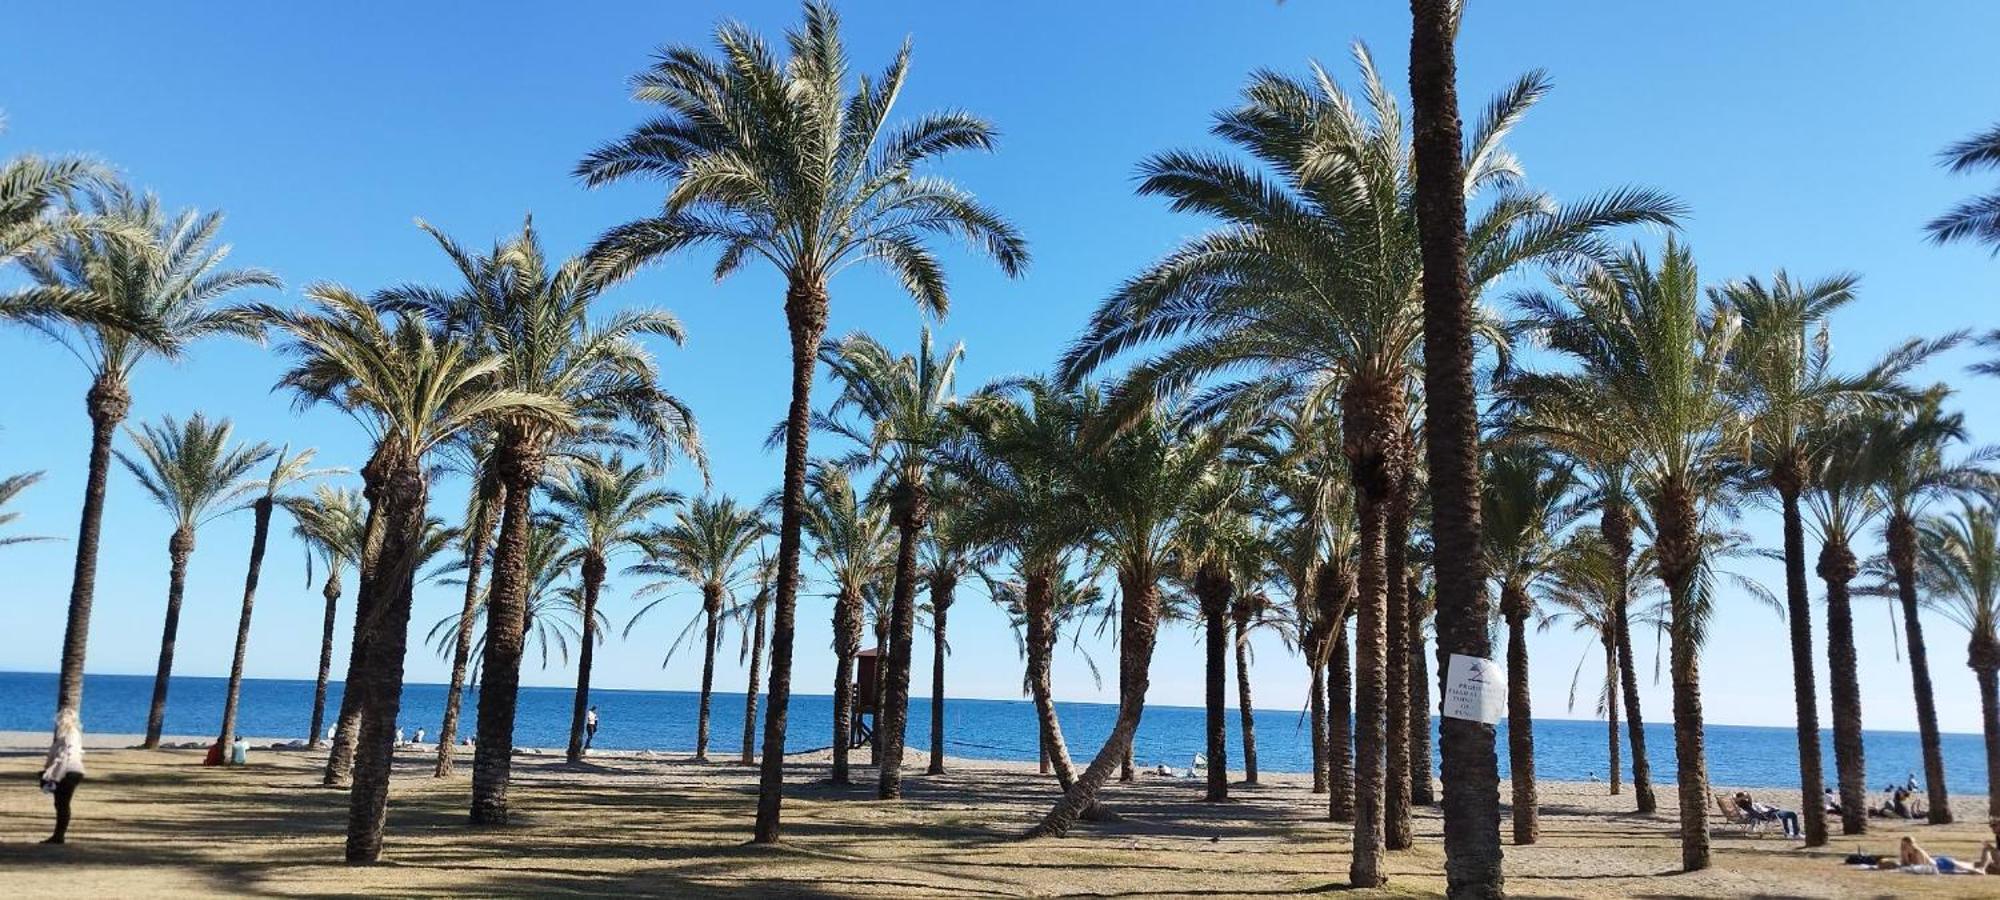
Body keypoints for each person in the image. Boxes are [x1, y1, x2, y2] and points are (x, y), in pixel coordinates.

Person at [40, 708, 85, 844]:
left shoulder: (71, 734)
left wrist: (55, 774)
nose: (60, 722)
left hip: (69, 772)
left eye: (62, 719)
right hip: (66, 771)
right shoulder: (65, 735)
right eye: (60, 719)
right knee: (60, 803)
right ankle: (58, 835)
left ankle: (59, 836)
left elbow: (67, 755)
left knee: (62, 804)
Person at [1735, 791, 1802, 839]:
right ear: (1742, 799)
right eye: (1744, 797)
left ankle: (1788, 833)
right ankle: (1796, 834)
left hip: (1769, 813)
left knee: (1786, 815)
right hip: (1769, 815)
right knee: (1793, 814)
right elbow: (1743, 798)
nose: (1747, 798)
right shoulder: (1747, 806)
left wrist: (1744, 796)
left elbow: (1746, 796)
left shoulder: (1748, 805)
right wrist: (1770, 810)